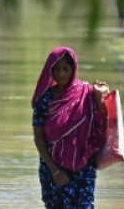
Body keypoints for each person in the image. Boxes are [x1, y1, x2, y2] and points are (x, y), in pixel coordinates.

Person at [32, 46, 110, 209]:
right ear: (50, 71)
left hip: (83, 168)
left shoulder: (86, 93)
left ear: (73, 69)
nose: (61, 74)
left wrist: (99, 97)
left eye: (65, 69)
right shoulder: (44, 101)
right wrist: (55, 171)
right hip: (52, 169)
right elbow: (39, 138)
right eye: (57, 70)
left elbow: (102, 125)